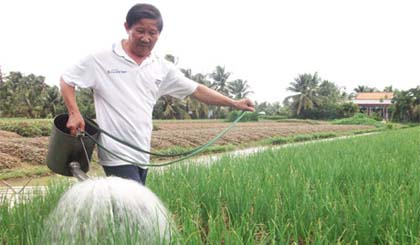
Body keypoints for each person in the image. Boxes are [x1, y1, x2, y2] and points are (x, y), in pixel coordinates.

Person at [60, 3, 254, 185]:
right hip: (116, 153)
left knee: (126, 214)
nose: (146, 38)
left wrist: (234, 103)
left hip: (142, 153)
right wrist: (74, 113)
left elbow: (196, 90)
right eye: (140, 31)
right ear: (127, 27)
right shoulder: (101, 60)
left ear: (159, 34)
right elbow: (67, 79)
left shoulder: (161, 68)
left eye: (152, 33)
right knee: (135, 210)